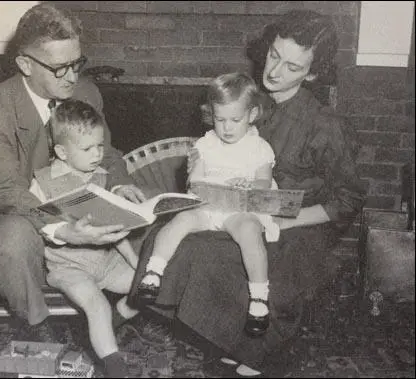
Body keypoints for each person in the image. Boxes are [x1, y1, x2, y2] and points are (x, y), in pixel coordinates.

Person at [128, 9, 367, 377]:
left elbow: (347, 200)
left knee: (217, 251)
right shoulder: (252, 101)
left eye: (292, 66)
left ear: (313, 73)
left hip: (301, 225)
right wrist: (198, 170)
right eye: (274, 55)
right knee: (180, 237)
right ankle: (231, 336)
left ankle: (262, 349)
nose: (274, 71)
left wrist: (283, 221)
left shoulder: (326, 125)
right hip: (242, 210)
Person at [0, 3, 147, 344]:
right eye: (60, 68)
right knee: (15, 239)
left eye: (77, 63)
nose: (73, 77)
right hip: (9, 210)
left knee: (150, 222)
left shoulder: (87, 93)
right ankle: (36, 326)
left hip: (80, 194)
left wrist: (121, 187)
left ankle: (119, 307)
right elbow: (6, 191)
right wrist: (62, 229)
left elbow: (105, 153)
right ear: (24, 65)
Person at [135, 72, 279, 338]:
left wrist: (248, 185)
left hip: (241, 209)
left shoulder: (260, 147)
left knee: (249, 230)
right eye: (219, 119)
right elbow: (195, 181)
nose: (227, 127)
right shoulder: (206, 143)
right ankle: (154, 272)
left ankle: (259, 297)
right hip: (210, 207)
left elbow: (264, 183)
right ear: (210, 114)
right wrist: (196, 180)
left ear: (252, 114)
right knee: (181, 220)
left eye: (235, 120)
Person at [29, 98, 140, 377]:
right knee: (96, 304)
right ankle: (115, 366)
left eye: (100, 146)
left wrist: (137, 264)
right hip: (68, 268)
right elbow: (36, 222)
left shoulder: (101, 177)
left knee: (150, 286)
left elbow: (116, 231)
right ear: (62, 152)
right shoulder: (43, 182)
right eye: (88, 148)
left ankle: (115, 319)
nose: (97, 154)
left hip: (106, 261)